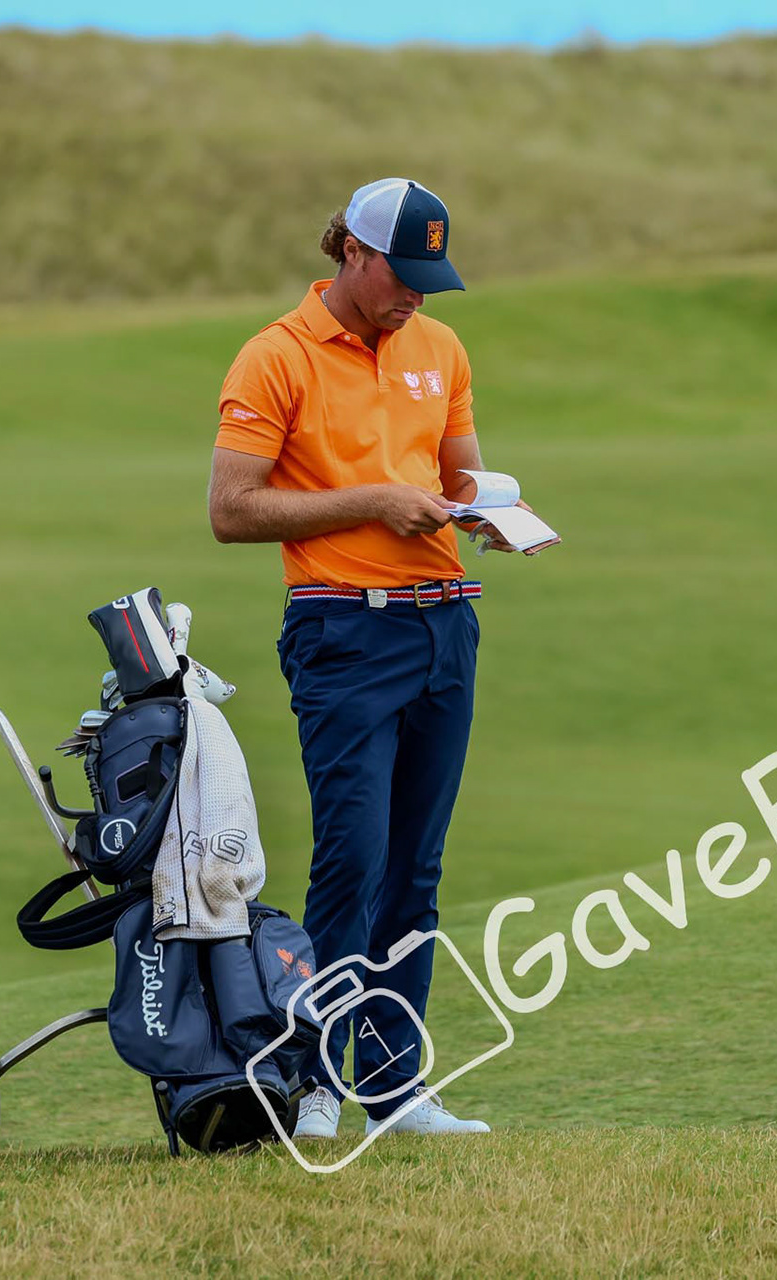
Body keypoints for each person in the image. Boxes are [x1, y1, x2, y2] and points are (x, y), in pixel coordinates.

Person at [208, 178, 520, 1139]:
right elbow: (232, 510)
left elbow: (458, 473)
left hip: (444, 622)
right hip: (344, 629)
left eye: (432, 278)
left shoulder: (440, 347)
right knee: (353, 859)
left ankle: (392, 1087)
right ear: (351, 252)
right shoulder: (276, 358)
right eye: (402, 274)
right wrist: (372, 501)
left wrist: (494, 515)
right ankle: (310, 1083)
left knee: (416, 870)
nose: (416, 296)